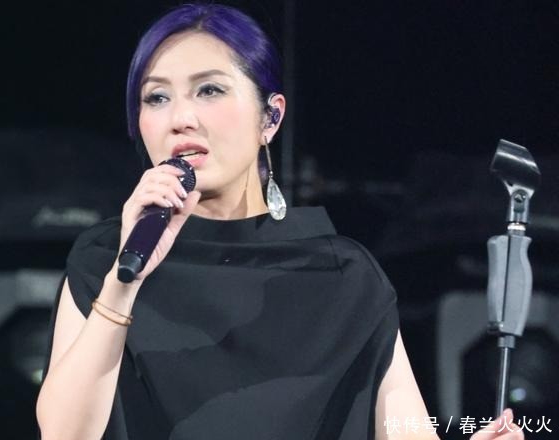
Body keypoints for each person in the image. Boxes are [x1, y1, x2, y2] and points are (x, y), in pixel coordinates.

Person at [36, 4, 525, 440]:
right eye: (157, 97)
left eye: (209, 90)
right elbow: (62, 435)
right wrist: (123, 284)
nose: (180, 117)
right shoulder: (106, 260)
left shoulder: (344, 277)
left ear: (269, 118)